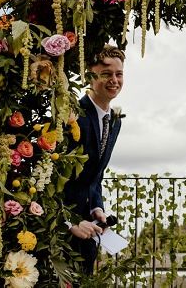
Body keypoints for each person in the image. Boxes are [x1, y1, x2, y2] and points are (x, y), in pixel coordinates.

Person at [64, 44, 125, 275]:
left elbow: (94, 176)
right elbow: (50, 179)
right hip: (60, 234)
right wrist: (70, 224)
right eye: (106, 74)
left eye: (119, 74)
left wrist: (97, 207)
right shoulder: (72, 115)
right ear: (90, 76)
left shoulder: (115, 121)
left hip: (90, 233)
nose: (114, 80)